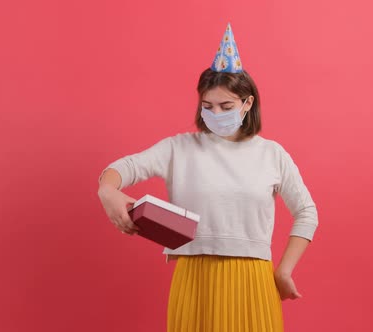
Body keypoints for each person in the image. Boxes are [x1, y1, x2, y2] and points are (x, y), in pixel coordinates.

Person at [97, 23, 319, 332]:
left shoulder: (272, 154)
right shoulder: (179, 148)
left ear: (247, 103)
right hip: (194, 278)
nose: (215, 112)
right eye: (207, 106)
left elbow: (307, 212)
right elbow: (123, 168)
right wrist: (107, 191)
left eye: (226, 106)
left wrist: (283, 271)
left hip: (253, 281)